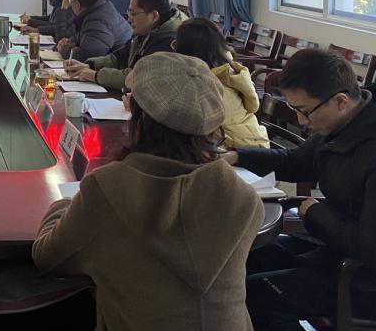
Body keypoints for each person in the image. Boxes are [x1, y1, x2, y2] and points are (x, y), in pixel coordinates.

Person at [33, 52, 263, 331]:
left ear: (138, 117)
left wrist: (64, 203)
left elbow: (47, 256)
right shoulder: (244, 198)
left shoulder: (107, 190)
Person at [228, 48, 376, 330]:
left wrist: (314, 212)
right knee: (244, 260)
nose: (301, 121)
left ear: (341, 101)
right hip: (342, 253)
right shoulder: (350, 123)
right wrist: (236, 156)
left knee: (252, 294)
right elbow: (296, 162)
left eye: (304, 111)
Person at [65, 0, 187, 89]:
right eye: (129, 12)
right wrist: (90, 65)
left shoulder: (169, 41)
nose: (129, 19)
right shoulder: (145, 31)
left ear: (154, 16)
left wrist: (95, 75)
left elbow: (136, 77)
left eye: (133, 14)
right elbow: (119, 57)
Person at [173, 17, 269, 149]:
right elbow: (253, 106)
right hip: (253, 140)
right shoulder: (230, 71)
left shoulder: (207, 84)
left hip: (238, 150)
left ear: (186, 51)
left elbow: (194, 127)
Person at [55, 0, 131, 61]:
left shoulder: (97, 21)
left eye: (71, 1)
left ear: (77, 5)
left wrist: (64, 51)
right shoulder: (101, 10)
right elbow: (84, 36)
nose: (70, 5)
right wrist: (69, 41)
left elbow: (87, 56)